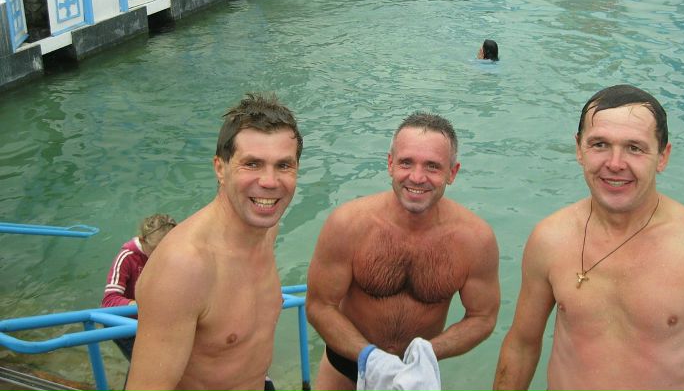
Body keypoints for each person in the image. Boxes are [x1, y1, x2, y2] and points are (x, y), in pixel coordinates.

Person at [493, 85, 684, 391]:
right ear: (579, 149)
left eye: (635, 148)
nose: (615, 163)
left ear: (663, 156)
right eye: (600, 144)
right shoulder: (550, 238)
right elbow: (522, 346)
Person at [306, 113, 500, 390]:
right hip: (345, 369)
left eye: (432, 166)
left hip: (416, 378)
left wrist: (429, 352)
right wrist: (368, 357)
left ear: (452, 172)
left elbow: (482, 317)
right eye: (406, 162)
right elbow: (319, 305)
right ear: (390, 164)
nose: (417, 177)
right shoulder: (348, 224)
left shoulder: (475, 240)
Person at [125, 93, 303, 391]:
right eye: (252, 164)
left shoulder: (266, 229)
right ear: (220, 168)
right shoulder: (184, 266)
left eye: (284, 165)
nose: (270, 181)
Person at [102, 213, 176, 360]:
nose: (162, 254)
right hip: (123, 322)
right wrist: (141, 305)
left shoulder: (173, 254)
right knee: (145, 361)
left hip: (149, 318)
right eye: (156, 249)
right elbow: (109, 301)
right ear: (143, 241)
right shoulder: (127, 257)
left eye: (167, 248)